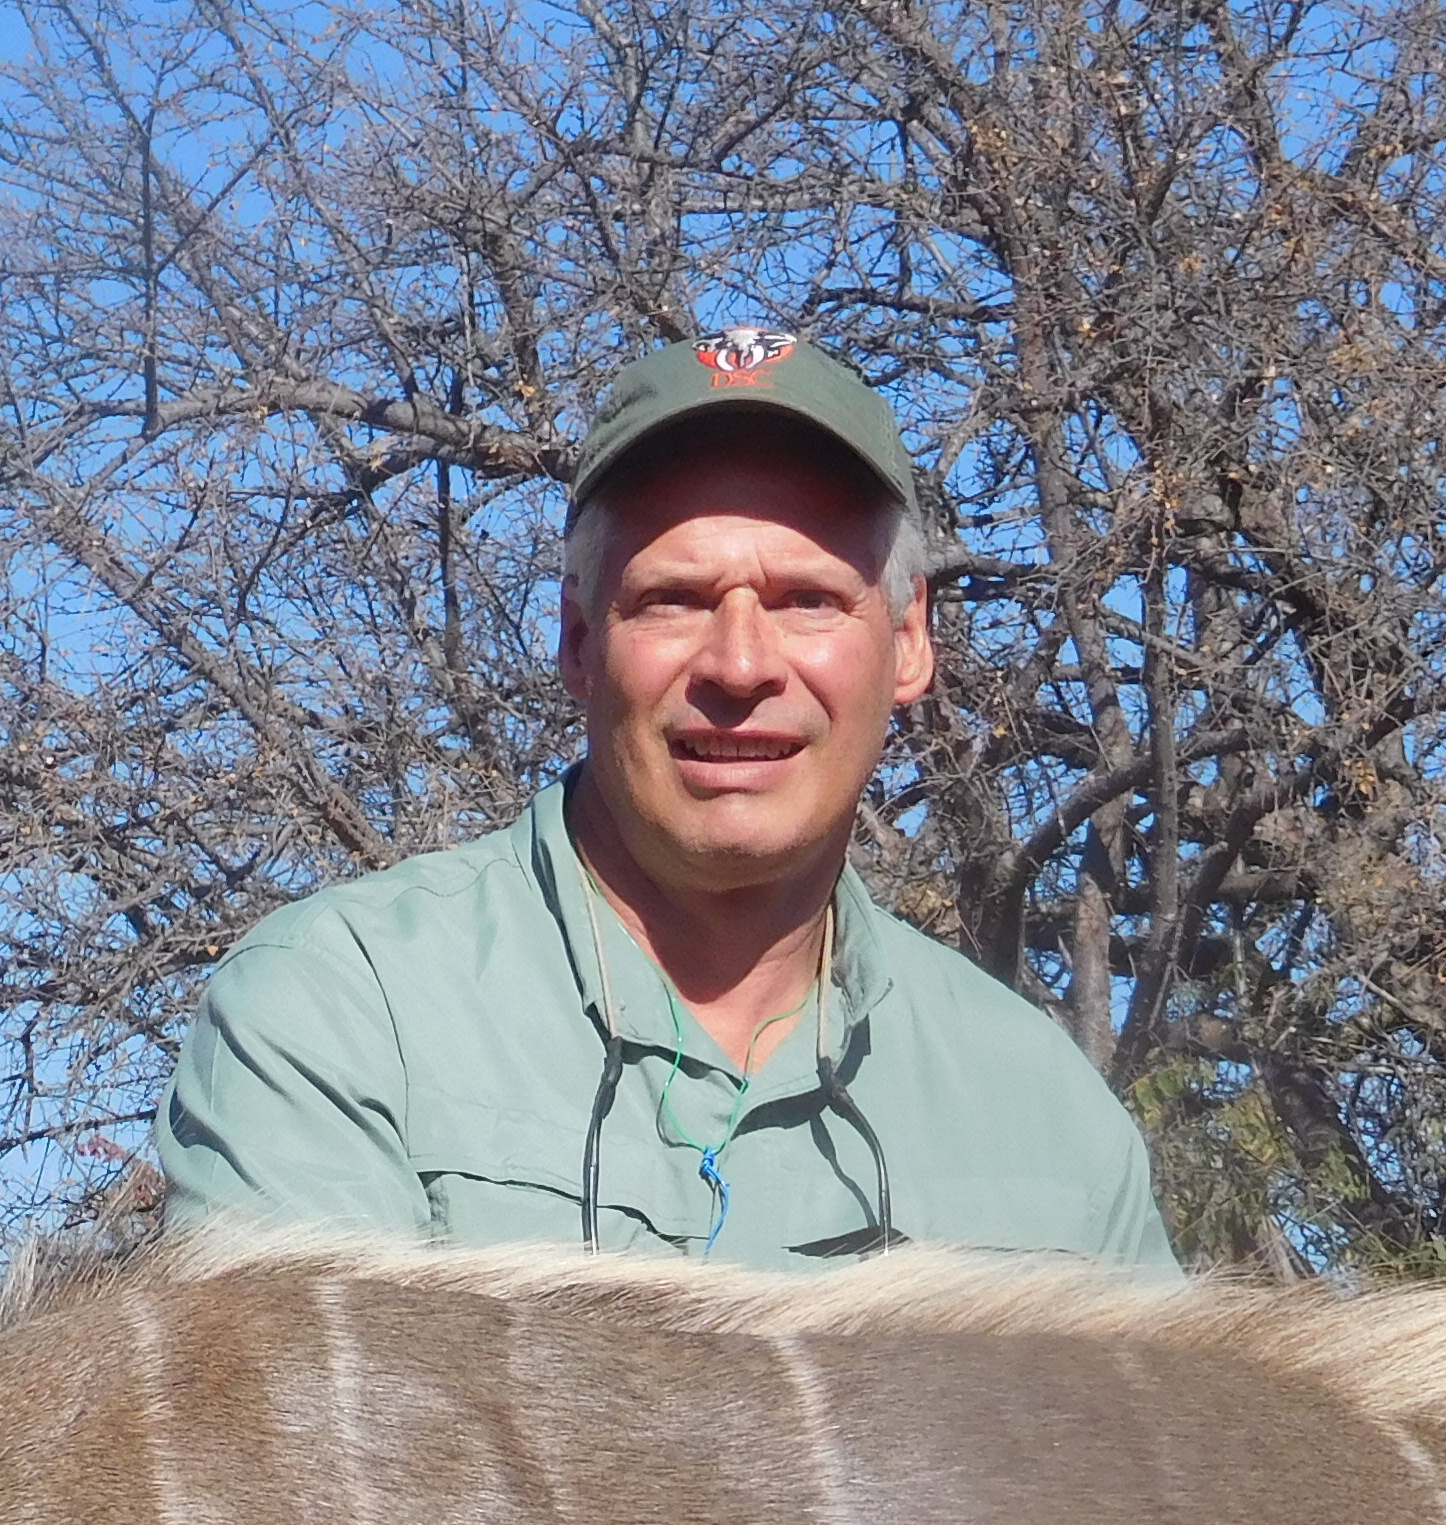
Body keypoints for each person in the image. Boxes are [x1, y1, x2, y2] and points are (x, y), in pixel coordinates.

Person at [153, 325, 1173, 1269]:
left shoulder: (1055, 1123)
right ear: (579, 644)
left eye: (808, 599)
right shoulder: (339, 1012)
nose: (739, 665)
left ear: (908, 645)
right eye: (673, 600)